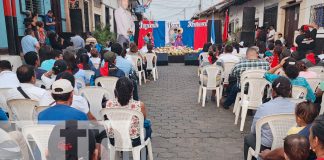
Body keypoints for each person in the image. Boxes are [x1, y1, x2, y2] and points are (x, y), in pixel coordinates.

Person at [244, 76, 295, 160]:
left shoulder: (264, 107)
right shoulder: (296, 108)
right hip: (288, 147)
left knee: (248, 138)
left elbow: (254, 130)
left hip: (266, 147)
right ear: (289, 92)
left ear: (273, 92)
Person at [105, 77, 152, 146]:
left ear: (115, 90)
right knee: (147, 125)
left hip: (114, 140)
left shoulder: (109, 104)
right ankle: (144, 153)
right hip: (134, 141)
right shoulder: (139, 105)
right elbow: (143, 119)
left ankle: (120, 149)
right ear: (132, 90)